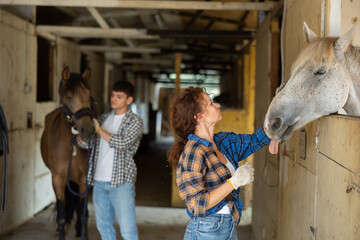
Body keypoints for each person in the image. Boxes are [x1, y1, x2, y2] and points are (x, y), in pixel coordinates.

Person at [168, 86, 271, 240]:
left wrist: (276, 122)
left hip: (226, 224)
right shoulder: (193, 152)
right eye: (210, 103)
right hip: (208, 228)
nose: (217, 105)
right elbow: (196, 204)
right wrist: (234, 182)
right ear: (199, 117)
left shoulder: (222, 141)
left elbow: (255, 140)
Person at [80, 80, 143, 240]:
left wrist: (98, 130)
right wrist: (80, 134)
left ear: (129, 100)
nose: (113, 99)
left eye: (119, 96)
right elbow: (89, 144)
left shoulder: (134, 121)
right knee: (104, 228)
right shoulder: (102, 118)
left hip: (120, 182)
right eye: (113, 95)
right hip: (99, 182)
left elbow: (122, 143)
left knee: (128, 230)